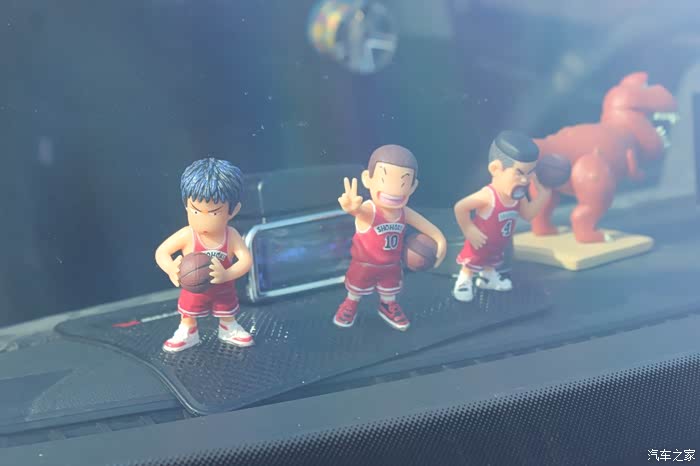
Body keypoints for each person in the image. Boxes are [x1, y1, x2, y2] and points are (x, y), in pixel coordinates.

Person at [334, 145, 447, 331]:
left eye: (404, 182)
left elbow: (430, 230)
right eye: (384, 179)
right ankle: (350, 304)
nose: (394, 189)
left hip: (391, 264)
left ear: (412, 187)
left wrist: (441, 242)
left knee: (390, 290)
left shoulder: (404, 212)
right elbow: (359, 212)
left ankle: (387, 306)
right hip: (365, 263)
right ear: (367, 179)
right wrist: (352, 208)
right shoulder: (370, 209)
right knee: (355, 289)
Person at [155, 158, 254, 352]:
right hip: (194, 288)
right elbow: (162, 252)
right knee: (188, 308)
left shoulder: (231, 235)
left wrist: (226, 274)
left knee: (227, 306)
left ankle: (228, 327)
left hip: (223, 286)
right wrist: (171, 269)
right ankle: (188, 330)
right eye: (196, 211)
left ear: (233, 211)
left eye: (214, 212)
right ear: (186, 206)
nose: (203, 219)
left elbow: (246, 260)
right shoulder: (187, 235)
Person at [453, 131, 552, 302]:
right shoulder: (488, 196)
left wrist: (542, 196)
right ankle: (464, 281)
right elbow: (460, 207)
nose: (525, 180)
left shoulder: (517, 197)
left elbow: (528, 215)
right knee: (472, 262)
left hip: (499, 244)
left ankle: (487, 278)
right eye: (519, 173)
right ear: (496, 169)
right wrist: (469, 229)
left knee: (492, 262)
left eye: (529, 173)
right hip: (480, 242)